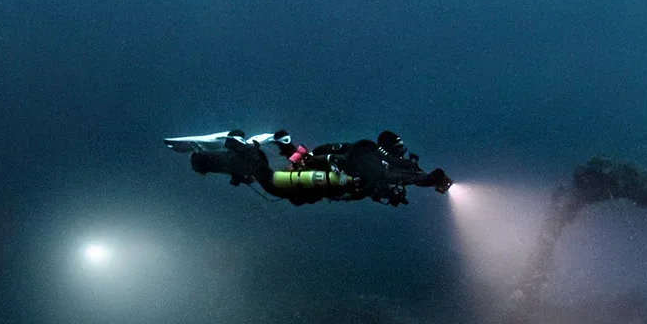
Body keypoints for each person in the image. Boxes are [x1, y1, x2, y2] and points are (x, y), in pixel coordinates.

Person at [166, 129, 453, 206]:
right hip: (318, 179)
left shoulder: (375, 165)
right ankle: (235, 143)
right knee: (271, 182)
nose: (401, 156)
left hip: (317, 184)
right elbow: (389, 173)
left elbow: (387, 180)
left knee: (259, 178)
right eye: (398, 151)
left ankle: (202, 158)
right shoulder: (371, 158)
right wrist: (425, 179)